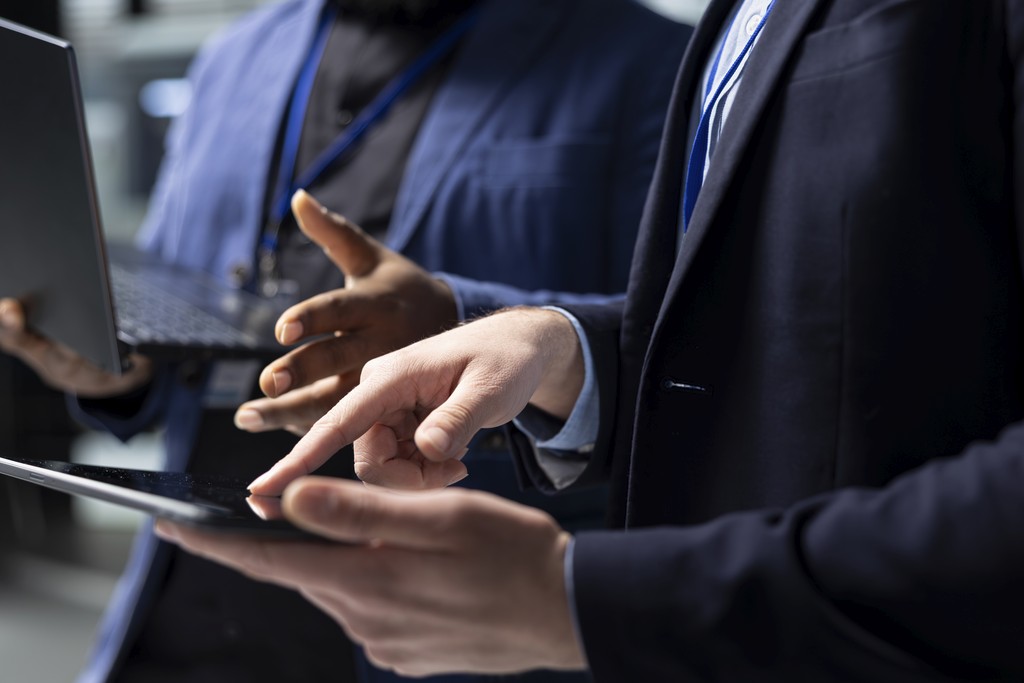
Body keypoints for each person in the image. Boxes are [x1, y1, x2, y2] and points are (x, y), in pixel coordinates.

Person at [156, 0, 1024, 680]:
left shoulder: (632, 51)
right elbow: (779, 332)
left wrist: (586, 599)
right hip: (189, 612)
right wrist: (570, 351)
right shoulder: (735, 21)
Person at [0, 1, 690, 681]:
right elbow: (178, 288)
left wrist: (459, 330)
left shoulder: (656, 65)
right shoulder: (236, 53)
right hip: (182, 610)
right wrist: (123, 371)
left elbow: (683, 360)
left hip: (435, 637)